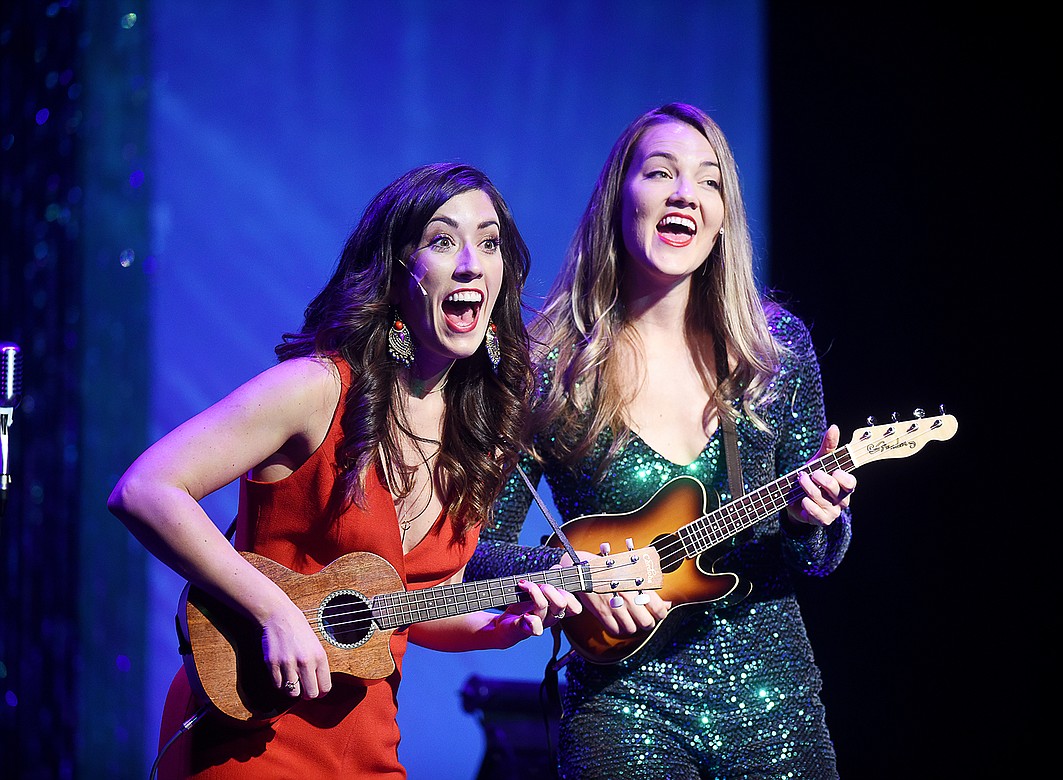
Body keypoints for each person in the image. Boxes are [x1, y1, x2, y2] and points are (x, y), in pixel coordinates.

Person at [108, 162, 583, 779]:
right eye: (443, 241)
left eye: (489, 243)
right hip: (254, 738)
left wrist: (495, 626)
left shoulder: (477, 438)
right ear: (397, 269)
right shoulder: (317, 389)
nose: (471, 262)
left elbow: (404, 604)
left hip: (369, 751)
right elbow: (145, 489)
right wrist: (274, 611)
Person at [465, 103, 856, 779]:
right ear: (619, 199)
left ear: (723, 216)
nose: (685, 193)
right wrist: (571, 578)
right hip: (620, 709)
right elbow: (474, 552)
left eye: (708, 181)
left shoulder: (775, 349)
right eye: (660, 172)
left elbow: (816, 558)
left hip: (774, 702)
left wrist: (810, 516)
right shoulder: (549, 364)